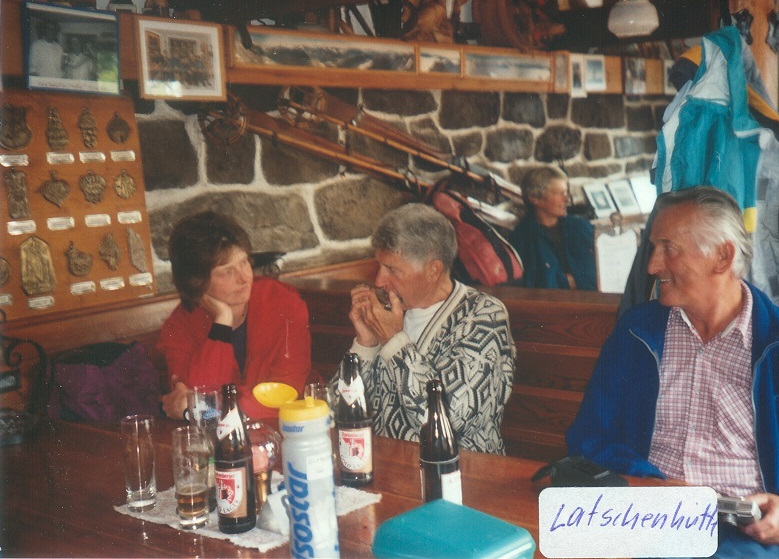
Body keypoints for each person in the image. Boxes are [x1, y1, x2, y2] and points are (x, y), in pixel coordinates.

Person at [566, 186, 779, 558]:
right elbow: (589, 437)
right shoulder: (637, 334)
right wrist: (653, 484)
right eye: (653, 248)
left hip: (740, 535)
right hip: (641, 516)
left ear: (722, 256)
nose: (652, 265)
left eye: (669, 248)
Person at [332, 203, 515, 454]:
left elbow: (446, 422)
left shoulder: (483, 316)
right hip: (391, 470)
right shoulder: (389, 312)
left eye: (392, 269)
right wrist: (365, 344)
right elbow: (336, 412)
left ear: (433, 270)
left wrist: (394, 340)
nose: (378, 281)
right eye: (380, 266)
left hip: (463, 475)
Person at [157, 211, 312, 421]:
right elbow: (191, 397)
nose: (244, 277)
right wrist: (222, 322)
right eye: (226, 272)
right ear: (197, 282)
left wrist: (202, 409)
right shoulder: (179, 327)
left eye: (244, 262)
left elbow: (286, 397)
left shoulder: (285, 305)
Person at [509, 166, 597, 290]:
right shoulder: (523, 238)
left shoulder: (581, 227)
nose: (566, 199)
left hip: (594, 301)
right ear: (535, 199)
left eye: (566, 193)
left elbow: (604, 272)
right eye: (559, 194)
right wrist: (570, 281)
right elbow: (538, 286)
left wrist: (571, 280)